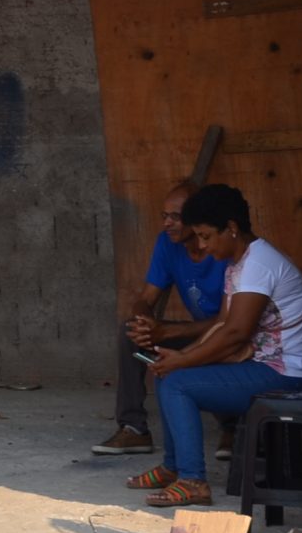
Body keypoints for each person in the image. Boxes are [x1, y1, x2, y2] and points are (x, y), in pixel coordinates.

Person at [127, 182, 302, 508]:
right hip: (260, 365)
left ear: (230, 229)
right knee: (165, 373)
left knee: (177, 384)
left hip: (285, 374)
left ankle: (193, 481)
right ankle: (174, 468)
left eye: (205, 236)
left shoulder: (258, 265)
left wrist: (183, 361)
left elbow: (235, 335)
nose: (202, 245)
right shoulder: (239, 264)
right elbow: (221, 325)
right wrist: (179, 356)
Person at [91, 182, 224, 457]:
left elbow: (232, 322)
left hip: (228, 331)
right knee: (130, 332)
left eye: (175, 217)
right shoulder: (167, 244)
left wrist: (165, 332)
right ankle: (134, 429)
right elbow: (147, 296)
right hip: (197, 331)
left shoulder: (222, 247)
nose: (167, 223)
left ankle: (234, 430)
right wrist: (143, 321)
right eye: (164, 216)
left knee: (223, 347)